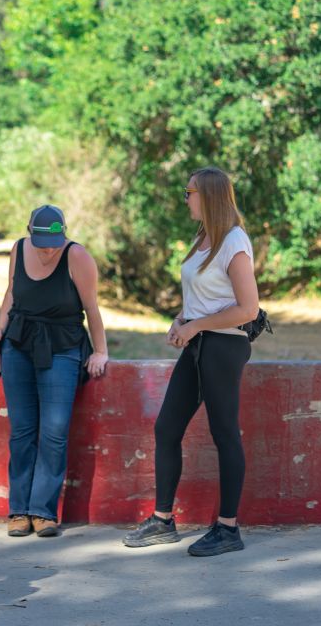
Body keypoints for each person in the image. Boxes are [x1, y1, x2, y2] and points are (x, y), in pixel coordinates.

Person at [123, 167, 259, 557]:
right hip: (198, 342)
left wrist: (197, 324)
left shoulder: (234, 241)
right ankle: (163, 520)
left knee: (224, 433)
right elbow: (204, 294)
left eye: (190, 192)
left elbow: (247, 309)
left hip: (223, 346)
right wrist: (182, 320)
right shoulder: (204, 237)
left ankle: (228, 529)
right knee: (167, 427)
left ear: (210, 195)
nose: (185, 199)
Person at [0, 205, 108, 538]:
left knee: (54, 431)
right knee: (22, 430)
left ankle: (43, 512)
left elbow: (92, 307)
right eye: (43, 243)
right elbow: (11, 295)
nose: (48, 250)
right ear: (30, 232)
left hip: (63, 345)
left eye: (54, 243)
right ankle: (18, 511)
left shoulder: (77, 256)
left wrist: (100, 351)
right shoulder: (18, 249)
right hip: (19, 343)